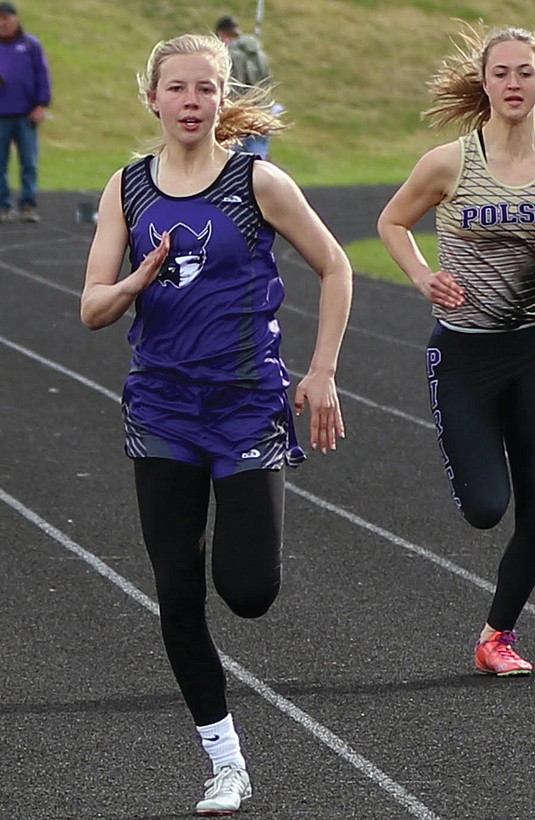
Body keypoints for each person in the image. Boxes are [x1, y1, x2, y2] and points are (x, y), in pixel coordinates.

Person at [79, 33, 352, 815]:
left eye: (206, 89)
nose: (192, 102)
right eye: (178, 89)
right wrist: (138, 276)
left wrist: (323, 371)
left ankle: (245, 565)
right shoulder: (127, 190)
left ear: (221, 97)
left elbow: (334, 266)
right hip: (163, 408)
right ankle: (224, 759)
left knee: (248, 590)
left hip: (246, 405)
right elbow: (92, 307)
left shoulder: (258, 182)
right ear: (154, 98)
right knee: (175, 588)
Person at [376, 24, 535, 677]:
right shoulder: (450, 162)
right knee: (486, 509)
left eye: (524, 73)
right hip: (465, 355)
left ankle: (496, 636)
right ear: (485, 82)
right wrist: (423, 276)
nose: (513, 84)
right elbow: (392, 221)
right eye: (502, 73)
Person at [0, 1, 51, 223]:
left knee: (29, 163)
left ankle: (28, 205)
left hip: (26, 114)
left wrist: (42, 104)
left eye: (6, 18)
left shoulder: (31, 46)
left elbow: (42, 76)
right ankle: (3, 205)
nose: (2, 23)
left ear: (16, 19)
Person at [214, 15, 273, 158]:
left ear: (222, 34)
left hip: (237, 115)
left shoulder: (229, 55)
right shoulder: (260, 55)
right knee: (258, 162)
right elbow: (268, 81)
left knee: (232, 164)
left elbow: (231, 87)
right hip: (262, 113)